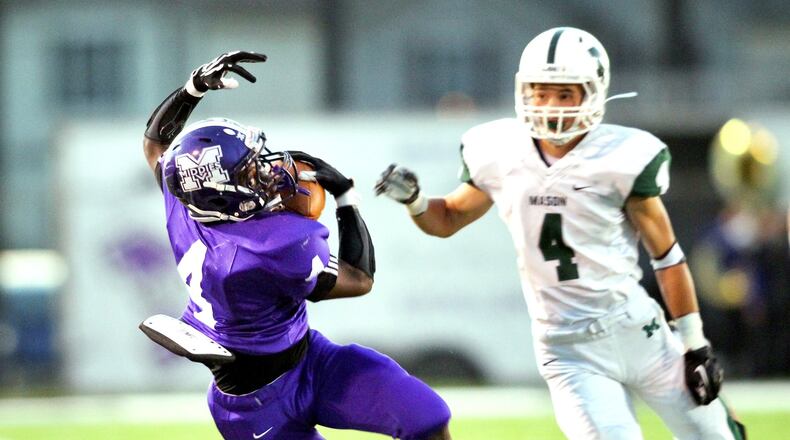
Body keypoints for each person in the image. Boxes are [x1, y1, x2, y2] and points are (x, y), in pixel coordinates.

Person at [375, 27, 745, 439]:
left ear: (593, 93)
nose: (550, 106)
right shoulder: (501, 151)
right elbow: (447, 220)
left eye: (565, 94)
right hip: (568, 349)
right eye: (540, 91)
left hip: (637, 328)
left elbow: (667, 257)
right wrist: (416, 201)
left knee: (718, 435)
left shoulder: (621, 157)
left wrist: (695, 343)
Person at [140, 51, 451, 440]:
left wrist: (193, 88)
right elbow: (359, 279)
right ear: (223, 193)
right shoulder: (273, 247)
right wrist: (346, 197)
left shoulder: (187, 203)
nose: (268, 171)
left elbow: (155, 145)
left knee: (427, 418)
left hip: (311, 361)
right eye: (251, 171)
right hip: (257, 407)